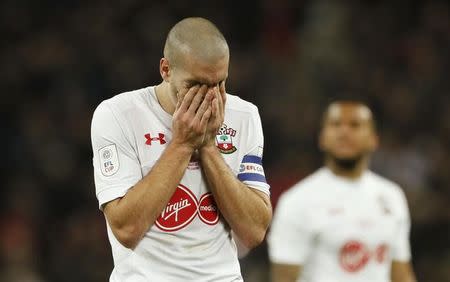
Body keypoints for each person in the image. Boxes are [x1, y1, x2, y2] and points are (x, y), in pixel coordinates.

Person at [90, 17, 272, 281]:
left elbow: (254, 231)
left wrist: (208, 145)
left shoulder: (244, 115)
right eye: (196, 85)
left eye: (219, 84)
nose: (209, 98)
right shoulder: (118, 115)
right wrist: (182, 144)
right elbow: (126, 230)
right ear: (166, 69)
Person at [268, 102, 416, 282]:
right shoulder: (297, 200)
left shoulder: (392, 197)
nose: (344, 132)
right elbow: (284, 278)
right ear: (322, 138)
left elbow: (401, 274)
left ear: (374, 140)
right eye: (336, 124)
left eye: (355, 125)